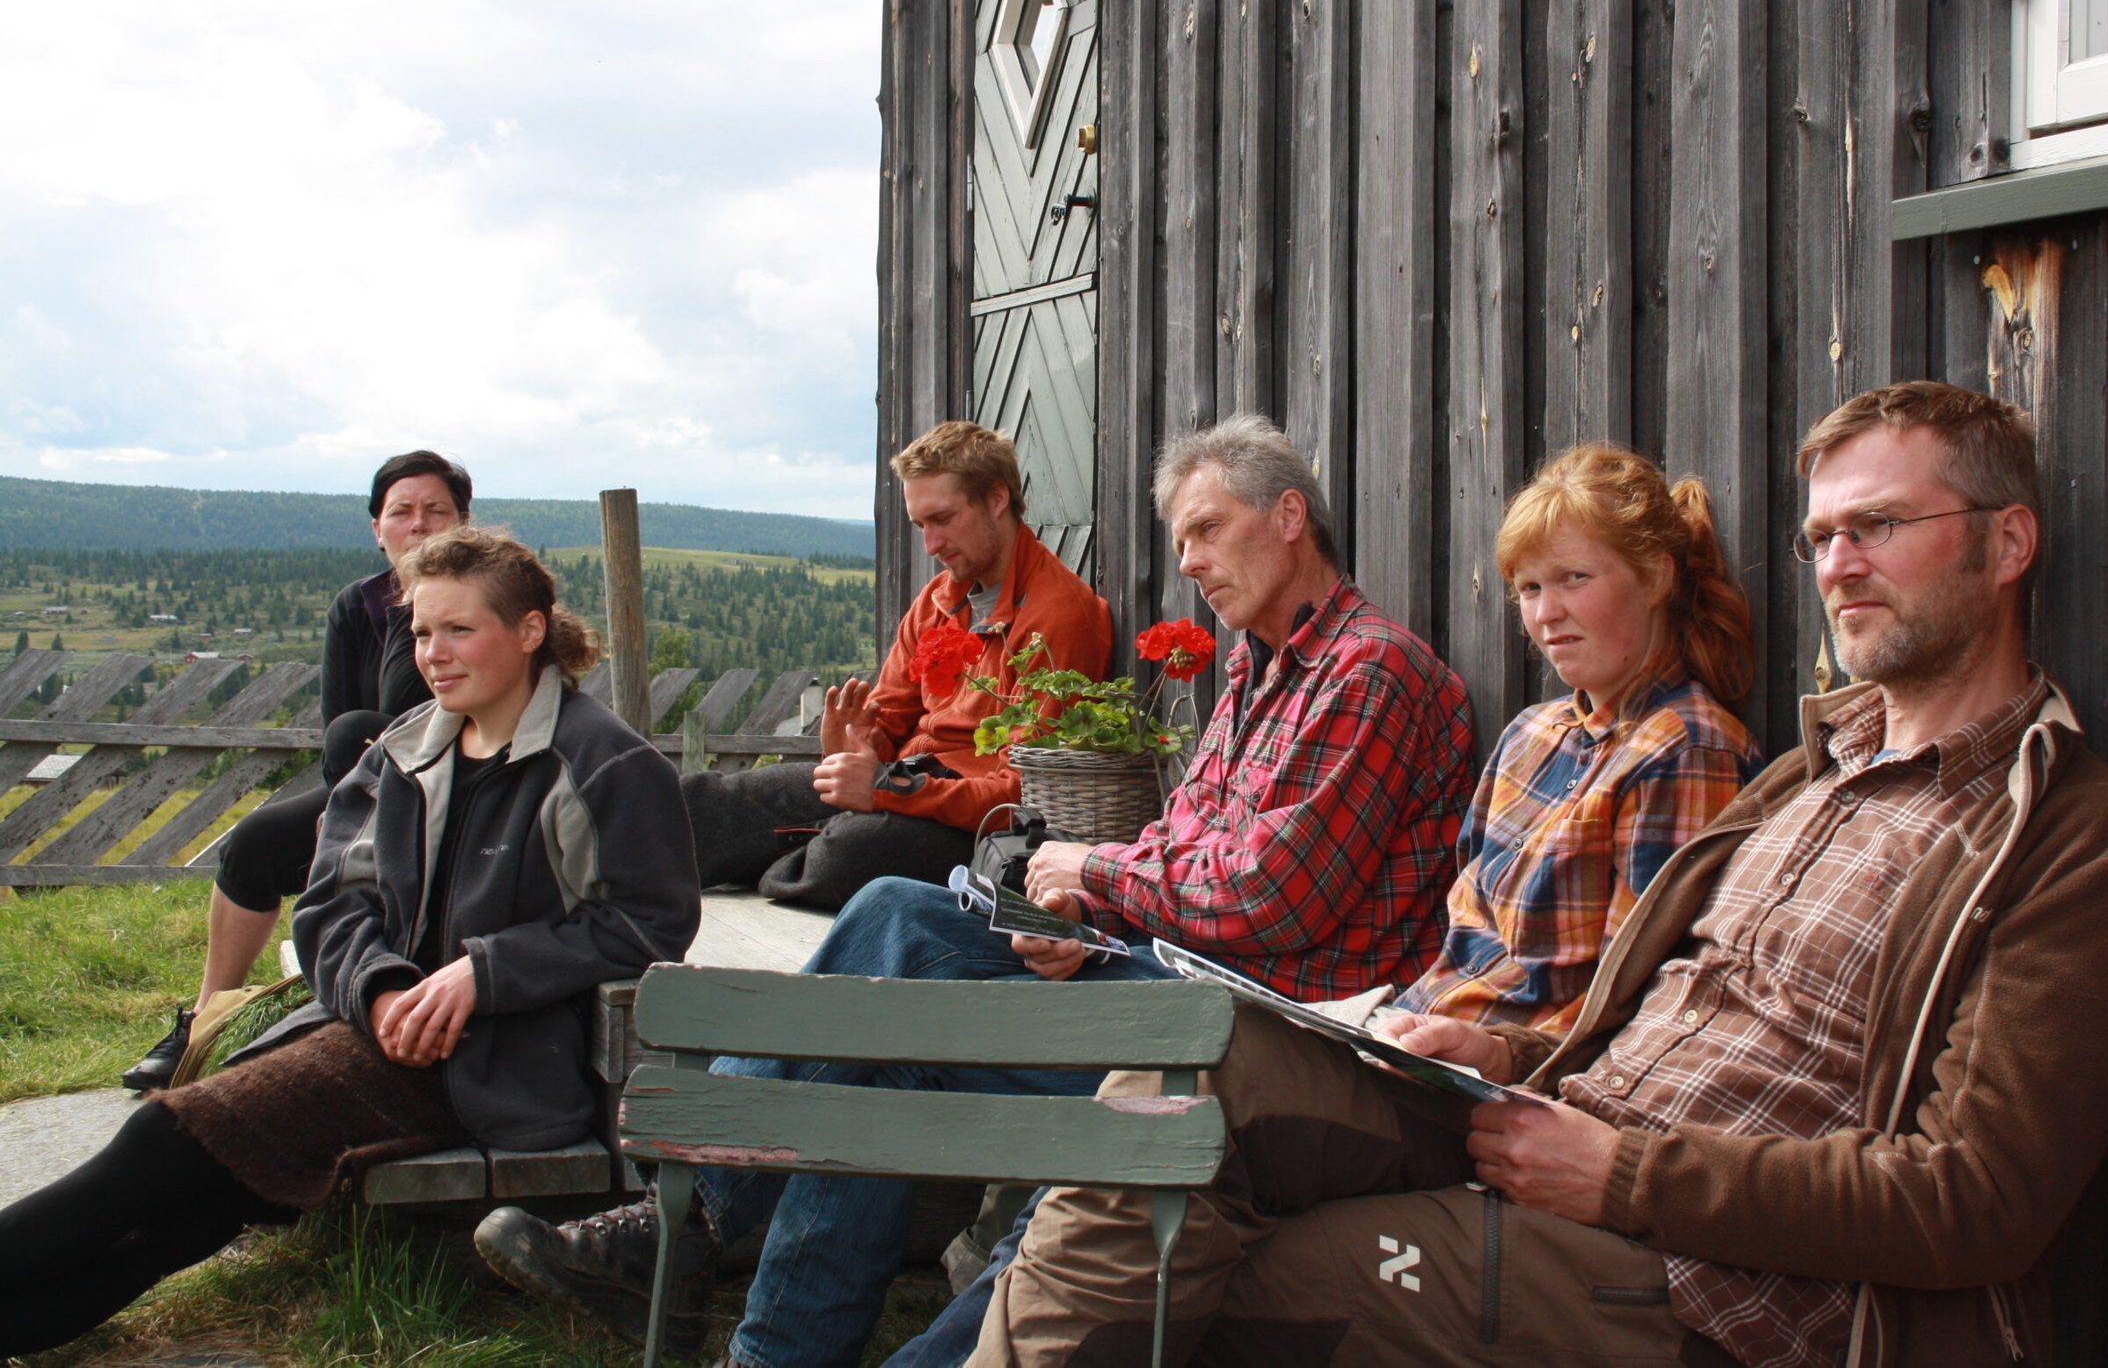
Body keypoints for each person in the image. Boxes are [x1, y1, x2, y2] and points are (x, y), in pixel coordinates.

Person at [971, 382, 2108, 1368]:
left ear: (2006, 545)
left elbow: (1976, 1200)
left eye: (1880, 526)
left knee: (1237, 1277)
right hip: (1538, 1125)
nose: (1838, 564)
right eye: (1822, 534)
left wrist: (1623, 1173)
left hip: (1709, 1287)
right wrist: (1503, 1057)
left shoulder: (2074, 847)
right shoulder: (1801, 782)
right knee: (1194, 1058)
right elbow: (1610, 991)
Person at [474, 411, 1481, 1366]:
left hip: (1281, 1034)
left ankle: (689, 1230)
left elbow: (1270, 900)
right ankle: (763, 1338)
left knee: (899, 937)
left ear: (1290, 517)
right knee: (891, 1019)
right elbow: (1180, 840)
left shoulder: (1368, 673)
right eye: (1181, 540)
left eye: (1206, 530)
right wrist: (1083, 914)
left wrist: (1088, 872)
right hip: (1182, 982)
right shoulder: (1260, 674)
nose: (1187, 562)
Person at [891, 440, 1768, 1366]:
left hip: (1490, 1091)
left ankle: (745, 1202)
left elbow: (1641, 1013)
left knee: (1147, 1082)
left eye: (1573, 582)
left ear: (1659, 574)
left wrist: (1495, 1049)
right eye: (1529, 591)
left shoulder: (1681, 751)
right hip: (1392, 1039)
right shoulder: (1535, 735)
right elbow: (1448, 940)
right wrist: (1095, 910)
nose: (1545, 616)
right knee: (936, 951)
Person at [0, 528, 700, 1356]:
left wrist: (484, 975)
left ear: (530, 631)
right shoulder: (407, 749)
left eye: (459, 630)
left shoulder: (601, 764)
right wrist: (377, 986)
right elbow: (332, 904)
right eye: (421, 632)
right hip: (382, 1028)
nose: (433, 654)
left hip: (499, 1060)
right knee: (209, 1199)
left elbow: (649, 921)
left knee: (167, 1140)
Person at [123, 450, 472, 1090]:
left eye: (436, 511)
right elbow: (342, 731)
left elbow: (422, 714)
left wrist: (418, 600)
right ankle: (206, 1022)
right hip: (365, 779)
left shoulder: (482, 602)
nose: (418, 525)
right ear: (377, 528)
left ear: (464, 522)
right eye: (402, 512)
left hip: (464, 786)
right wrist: (344, 799)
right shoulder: (356, 606)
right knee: (256, 843)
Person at [683, 419, 1110, 907]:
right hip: (905, 783)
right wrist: (856, 743)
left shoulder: (1060, 615)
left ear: (996, 499)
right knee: (711, 802)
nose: (931, 544)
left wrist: (889, 789)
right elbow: (888, 716)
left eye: (942, 519)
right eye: (920, 525)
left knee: (846, 854)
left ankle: (775, 856)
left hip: (974, 822)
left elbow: (1023, 792)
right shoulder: (939, 600)